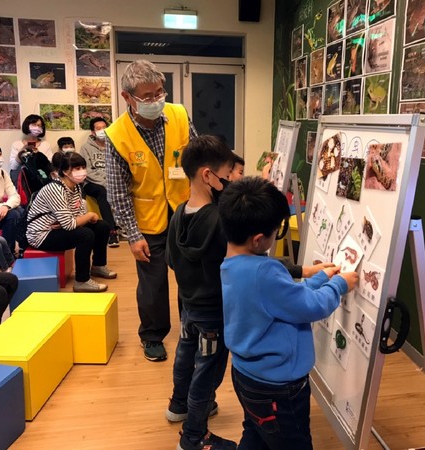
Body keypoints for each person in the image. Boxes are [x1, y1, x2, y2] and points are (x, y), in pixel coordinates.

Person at [218, 177, 359, 450]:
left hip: (246, 375)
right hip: (278, 388)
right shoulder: (263, 272)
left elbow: (286, 298)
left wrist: (320, 279)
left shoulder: (231, 264)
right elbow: (310, 307)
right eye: (275, 232)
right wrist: (339, 285)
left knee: (256, 433)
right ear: (259, 240)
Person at [105, 58, 197, 361]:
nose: (156, 100)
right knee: (153, 283)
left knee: (192, 276)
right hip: (147, 221)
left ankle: (192, 328)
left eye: (160, 92)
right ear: (127, 98)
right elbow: (117, 192)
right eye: (147, 96)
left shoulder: (179, 114)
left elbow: (196, 157)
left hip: (185, 212)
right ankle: (153, 335)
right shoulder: (117, 136)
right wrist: (132, 235)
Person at [165, 135, 236, 450]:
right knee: (207, 371)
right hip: (215, 313)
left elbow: (170, 259)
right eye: (228, 174)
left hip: (189, 306)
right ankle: (194, 437)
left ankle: (178, 405)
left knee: (185, 357)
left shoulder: (179, 213)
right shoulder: (220, 221)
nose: (231, 180)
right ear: (209, 175)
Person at [26, 152, 117, 293]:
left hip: (58, 227)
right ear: (65, 172)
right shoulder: (55, 189)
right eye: (76, 168)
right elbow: (70, 223)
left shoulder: (76, 187)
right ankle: (82, 280)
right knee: (85, 235)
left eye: (82, 167)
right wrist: (87, 216)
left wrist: (81, 218)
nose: (81, 171)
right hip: (42, 234)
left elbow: (77, 216)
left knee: (102, 226)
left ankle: (98, 266)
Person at [79, 117, 120, 248]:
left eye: (104, 128)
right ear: (92, 132)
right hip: (92, 183)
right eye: (98, 128)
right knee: (103, 192)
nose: (102, 131)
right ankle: (112, 232)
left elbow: (119, 167)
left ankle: (126, 227)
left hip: (112, 181)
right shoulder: (85, 148)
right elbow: (87, 171)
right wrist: (106, 182)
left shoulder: (115, 145)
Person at [9, 114, 53, 186]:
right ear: (27, 125)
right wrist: (21, 152)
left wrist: (39, 155)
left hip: (41, 180)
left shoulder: (45, 144)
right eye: (34, 124)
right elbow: (13, 167)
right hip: (23, 181)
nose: (37, 127)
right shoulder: (17, 144)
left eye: (40, 125)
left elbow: (49, 166)